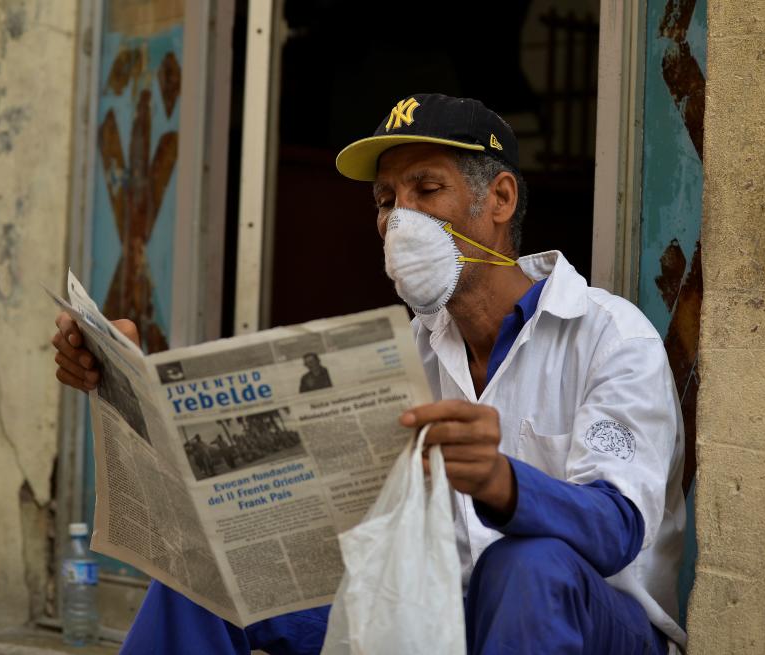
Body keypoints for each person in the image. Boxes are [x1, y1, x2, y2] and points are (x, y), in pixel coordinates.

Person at [51, 93, 686, 654]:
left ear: (500, 199)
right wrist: (128, 380)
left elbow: (617, 529)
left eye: (426, 190)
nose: (398, 220)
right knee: (214, 567)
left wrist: (502, 482)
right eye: (386, 200)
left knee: (530, 565)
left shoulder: (608, 334)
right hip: (438, 624)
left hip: (597, 627)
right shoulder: (404, 352)